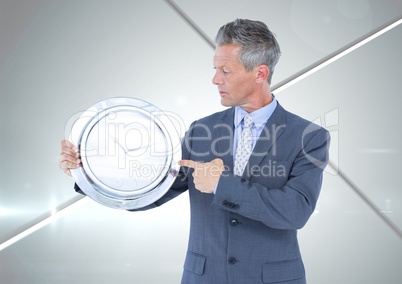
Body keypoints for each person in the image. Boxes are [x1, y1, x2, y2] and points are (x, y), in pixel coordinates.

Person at [60, 19, 330, 284]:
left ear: (260, 74)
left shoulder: (309, 137)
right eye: (215, 68)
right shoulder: (202, 130)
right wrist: (90, 172)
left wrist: (221, 185)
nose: (215, 79)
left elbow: (296, 211)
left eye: (225, 71)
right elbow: (154, 191)